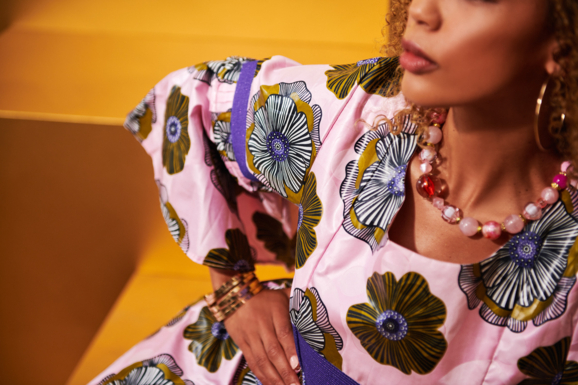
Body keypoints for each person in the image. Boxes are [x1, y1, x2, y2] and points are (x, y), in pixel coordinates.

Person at [90, 0, 578, 384]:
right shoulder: (362, 113)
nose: (422, 11)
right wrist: (233, 292)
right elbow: (189, 104)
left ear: (561, 40)